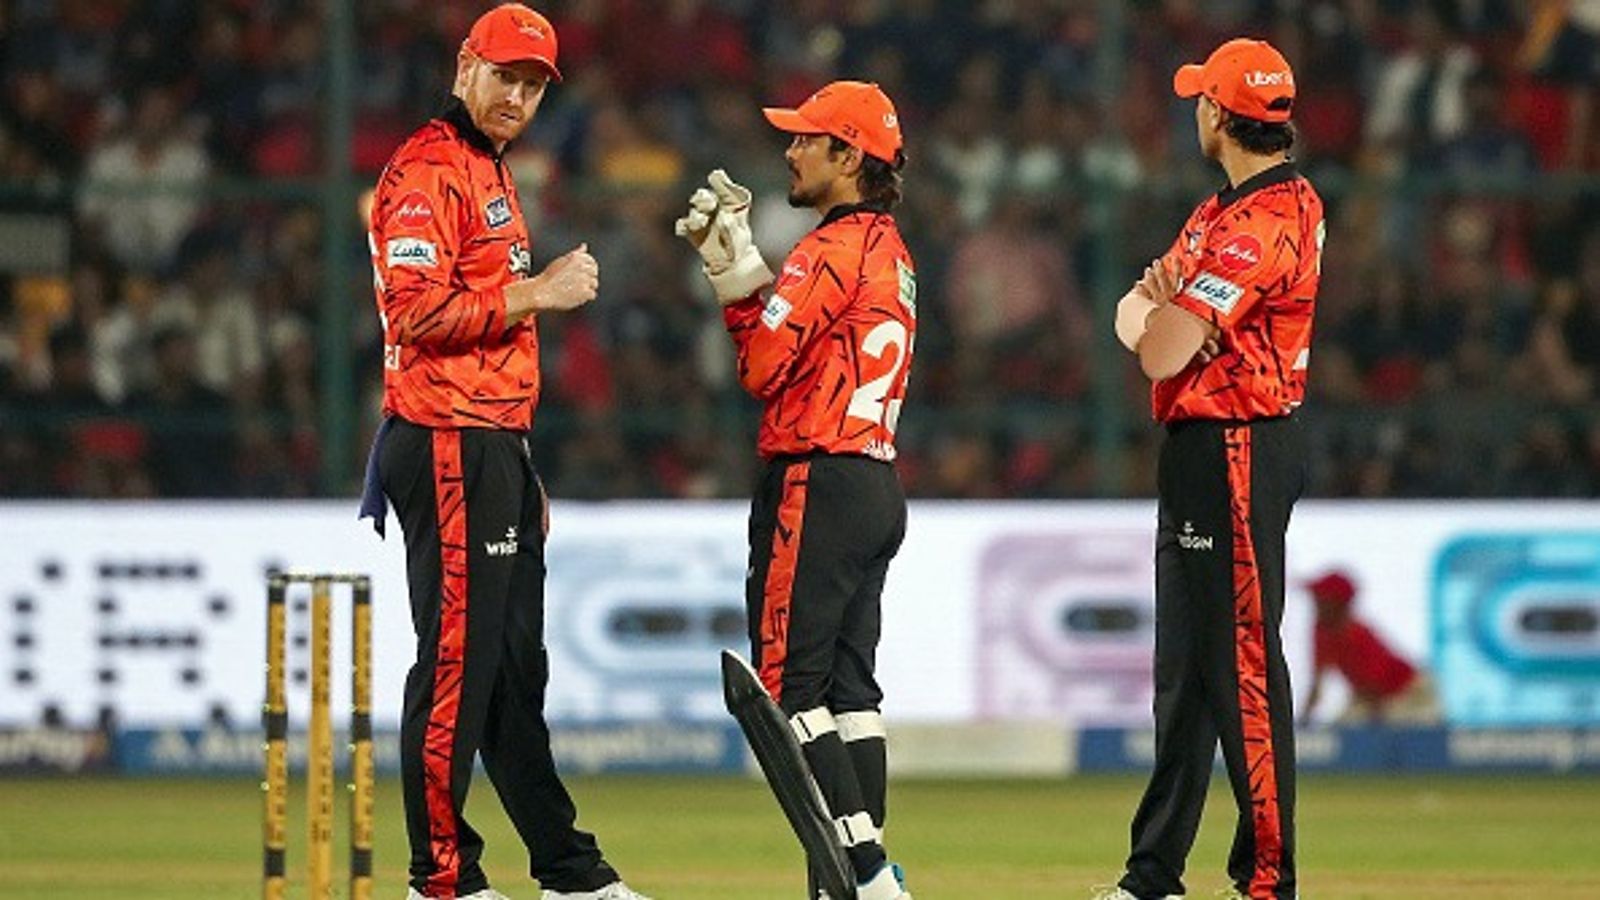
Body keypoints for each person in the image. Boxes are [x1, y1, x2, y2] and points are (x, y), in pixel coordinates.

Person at [358, 5, 650, 899]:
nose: (518, 97)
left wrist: (518, 462)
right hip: (445, 444)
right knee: (456, 664)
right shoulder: (424, 171)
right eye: (506, 76)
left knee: (513, 675)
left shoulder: (486, 169)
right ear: (464, 66)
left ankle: (567, 871)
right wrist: (539, 291)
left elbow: (479, 331)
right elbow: (412, 314)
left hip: (491, 448)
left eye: (533, 86)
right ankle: (440, 880)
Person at [674, 80, 917, 900]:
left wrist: (736, 280)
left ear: (849, 157)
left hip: (815, 476)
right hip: (875, 477)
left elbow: (764, 368)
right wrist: (746, 273)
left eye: (809, 139)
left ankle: (866, 877)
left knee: (788, 689)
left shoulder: (828, 249)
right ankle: (856, 874)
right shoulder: (892, 251)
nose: (792, 150)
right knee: (851, 692)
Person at [1098, 39, 1325, 900]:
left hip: (1240, 445)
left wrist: (1156, 309)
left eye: (1201, 99)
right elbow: (1150, 319)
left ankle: (1267, 877)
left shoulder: (1262, 222)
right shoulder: (1222, 212)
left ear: (1221, 115)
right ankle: (1152, 874)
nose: (1193, 109)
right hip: (1200, 450)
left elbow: (1157, 347)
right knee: (1185, 674)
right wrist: (1153, 312)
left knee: (1241, 666)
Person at [1301, 570, 1440, 725]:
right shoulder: (1322, 632)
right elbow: (1317, 683)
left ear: (1338, 604)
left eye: (1321, 599)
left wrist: (1375, 731)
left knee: (1407, 737)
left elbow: (1375, 691)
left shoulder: (1357, 635)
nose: (1315, 603)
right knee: (1340, 733)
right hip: (1371, 697)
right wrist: (1302, 722)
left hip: (1409, 693)